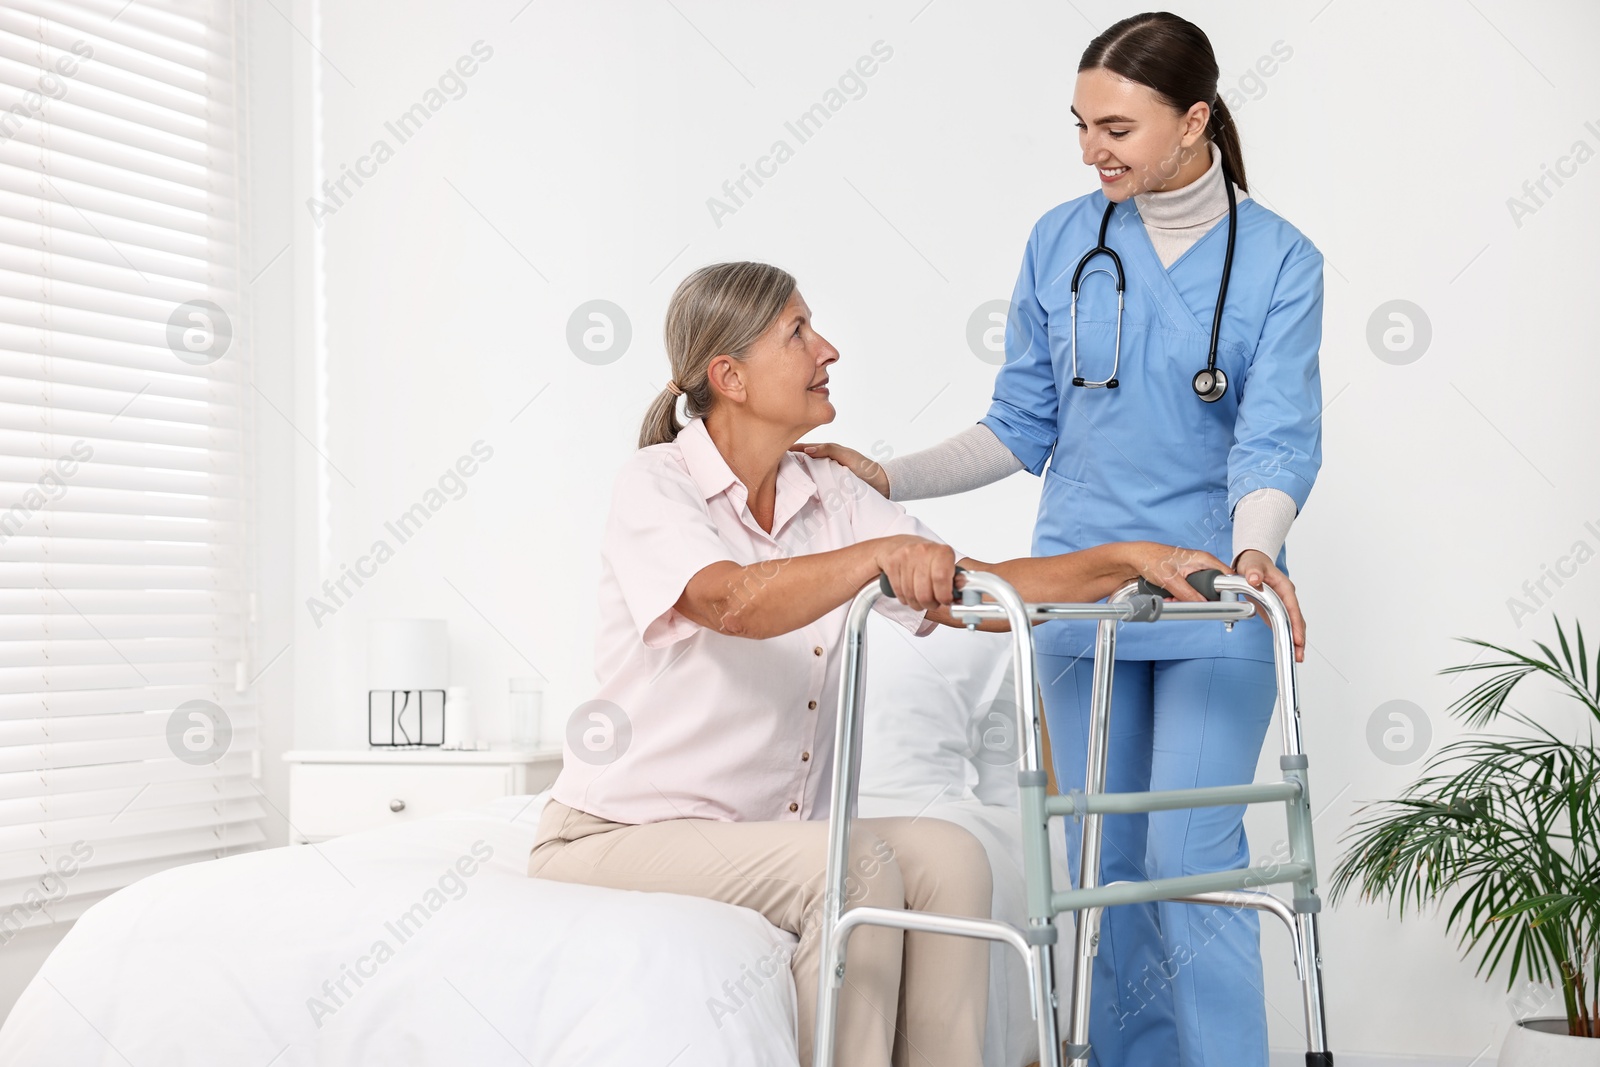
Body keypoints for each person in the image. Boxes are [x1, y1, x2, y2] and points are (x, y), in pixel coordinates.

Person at [526, 260, 1283, 1067]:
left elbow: (977, 594)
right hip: (619, 832)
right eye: (798, 331)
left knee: (953, 858)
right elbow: (732, 602)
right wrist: (875, 557)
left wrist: (1133, 560)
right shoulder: (656, 482)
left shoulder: (828, 493)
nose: (829, 350)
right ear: (730, 376)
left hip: (758, 837)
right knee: (859, 868)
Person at [794, 13, 1320, 1067]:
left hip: (1215, 592)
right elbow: (1018, 424)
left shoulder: (1279, 259)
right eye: (1080, 126)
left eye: (1116, 126)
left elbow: (1276, 437)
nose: (1093, 150)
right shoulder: (1060, 240)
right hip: (1081, 595)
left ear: (1195, 121)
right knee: (1104, 857)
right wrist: (888, 473)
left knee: (1191, 852)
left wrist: (1254, 551)